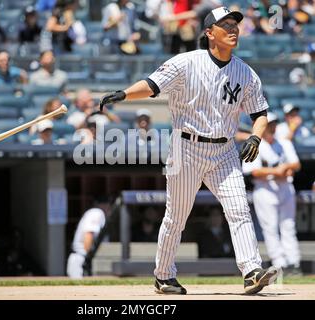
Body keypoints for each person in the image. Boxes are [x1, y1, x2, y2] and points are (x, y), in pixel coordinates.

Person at [99, 6, 279, 295]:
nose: (233, 29)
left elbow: (260, 114)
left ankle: (251, 271)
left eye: (235, 24)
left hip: (224, 152)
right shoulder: (186, 62)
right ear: (209, 33)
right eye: (225, 25)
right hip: (187, 148)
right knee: (176, 216)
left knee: (239, 210)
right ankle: (163, 276)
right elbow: (152, 84)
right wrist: (123, 94)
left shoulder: (245, 72)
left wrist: (256, 138)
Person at [243, 112, 302, 276]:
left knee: (288, 226)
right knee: (270, 228)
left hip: (285, 188)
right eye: (269, 124)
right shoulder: (257, 144)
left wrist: (285, 169)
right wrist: (276, 171)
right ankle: (280, 263)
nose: (272, 127)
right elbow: (252, 171)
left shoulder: (283, 142)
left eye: (274, 124)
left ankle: (294, 262)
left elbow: (296, 164)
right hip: (265, 188)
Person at [67, 197, 110, 278]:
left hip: (83, 259)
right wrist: (89, 259)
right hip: (82, 260)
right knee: (81, 290)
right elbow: (88, 235)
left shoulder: (96, 214)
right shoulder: (96, 213)